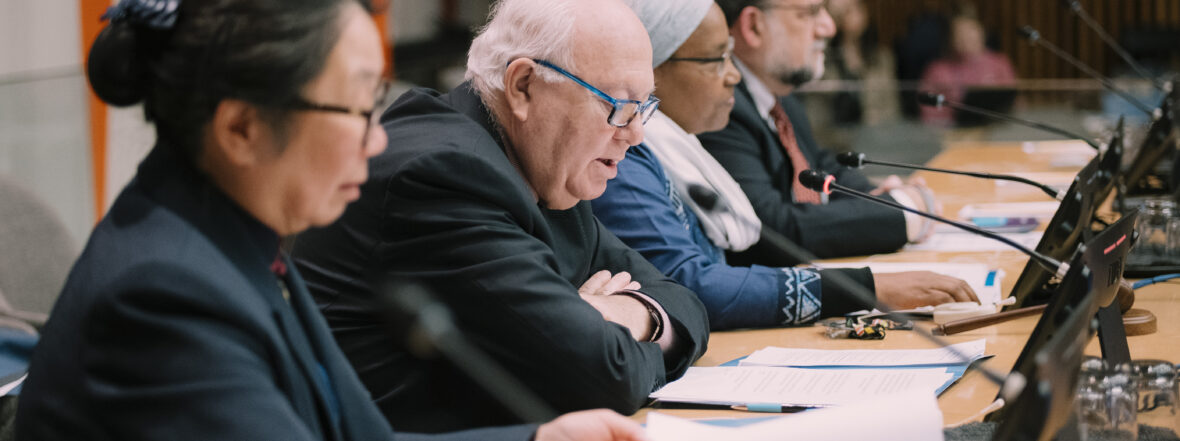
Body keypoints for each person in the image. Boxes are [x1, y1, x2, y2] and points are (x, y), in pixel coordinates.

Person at [14, 0, 649, 440]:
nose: (378, 140)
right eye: (353, 110)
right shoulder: (163, 295)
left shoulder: (235, 243)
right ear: (241, 128)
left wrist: (540, 438)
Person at [290, 0, 709, 433]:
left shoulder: (544, 164)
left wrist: (631, 314)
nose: (635, 134)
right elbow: (603, 378)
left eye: (642, 107)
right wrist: (600, 324)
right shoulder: (443, 176)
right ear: (523, 85)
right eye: (618, 105)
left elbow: (684, 301)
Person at [593, 0, 976, 331]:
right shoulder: (627, 156)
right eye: (717, 59)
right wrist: (865, 288)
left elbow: (817, 166)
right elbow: (689, 283)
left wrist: (879, 204)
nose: (734, 75)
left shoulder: (679, 145)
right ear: (652, 72)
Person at [698, 0, 938, 265]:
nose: (829, 27)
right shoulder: (721, 106)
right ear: (754, 26)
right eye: (810, 13)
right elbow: (767, 229)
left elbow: (818, 169)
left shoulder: (779, 96)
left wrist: (878, 197)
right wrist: (903, 211)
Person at [918, 14, 1017, 125]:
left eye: (971, 33)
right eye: (959, 34)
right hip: (952, 129)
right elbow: (928, 110)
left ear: (982, 34)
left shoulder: (1000, 63)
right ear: (950, 39)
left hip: (997, 127)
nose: (965, 39)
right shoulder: (937, 69)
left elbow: (1013, 102)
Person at [823, 0, 899, 126]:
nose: (856, 15)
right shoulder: (829, 58)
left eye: (858, 8)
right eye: (848, 11)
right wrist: (834, 18)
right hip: (838, 130)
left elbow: (893, 105)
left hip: (877, 129)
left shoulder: (882, 57)